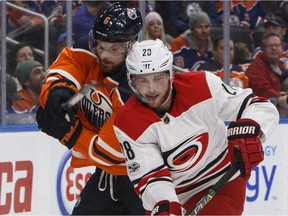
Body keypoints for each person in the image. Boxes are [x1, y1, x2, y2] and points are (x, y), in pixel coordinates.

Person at [113, 39, 279, 215]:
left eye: (158, 78)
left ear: (170, 74)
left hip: (223, 179)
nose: (151, 89)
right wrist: (165, 204)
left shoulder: (202, 85)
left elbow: (259, 106)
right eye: (142, 80)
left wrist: (253, 128)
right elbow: (151, 177)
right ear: (132, 80)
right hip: (174, 194)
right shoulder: (127, 122)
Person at [35, 3, 145, 215]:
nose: (104, 54)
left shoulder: (138, 86)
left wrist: (69, 134)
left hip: (144, 177)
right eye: (101, 45)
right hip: (108, 175)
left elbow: (114, 151)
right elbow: (69, 64)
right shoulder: (91, 50)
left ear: (132, 45)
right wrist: (59, 90)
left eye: (114, 49)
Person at [246, 32, 288, 100]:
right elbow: (263, 91)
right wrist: (280, 96)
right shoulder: (255, 68)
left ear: (282, 47)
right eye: (269, 46)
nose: (274, 48)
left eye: (276, 45)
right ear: (263, 49)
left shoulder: (282, 65)